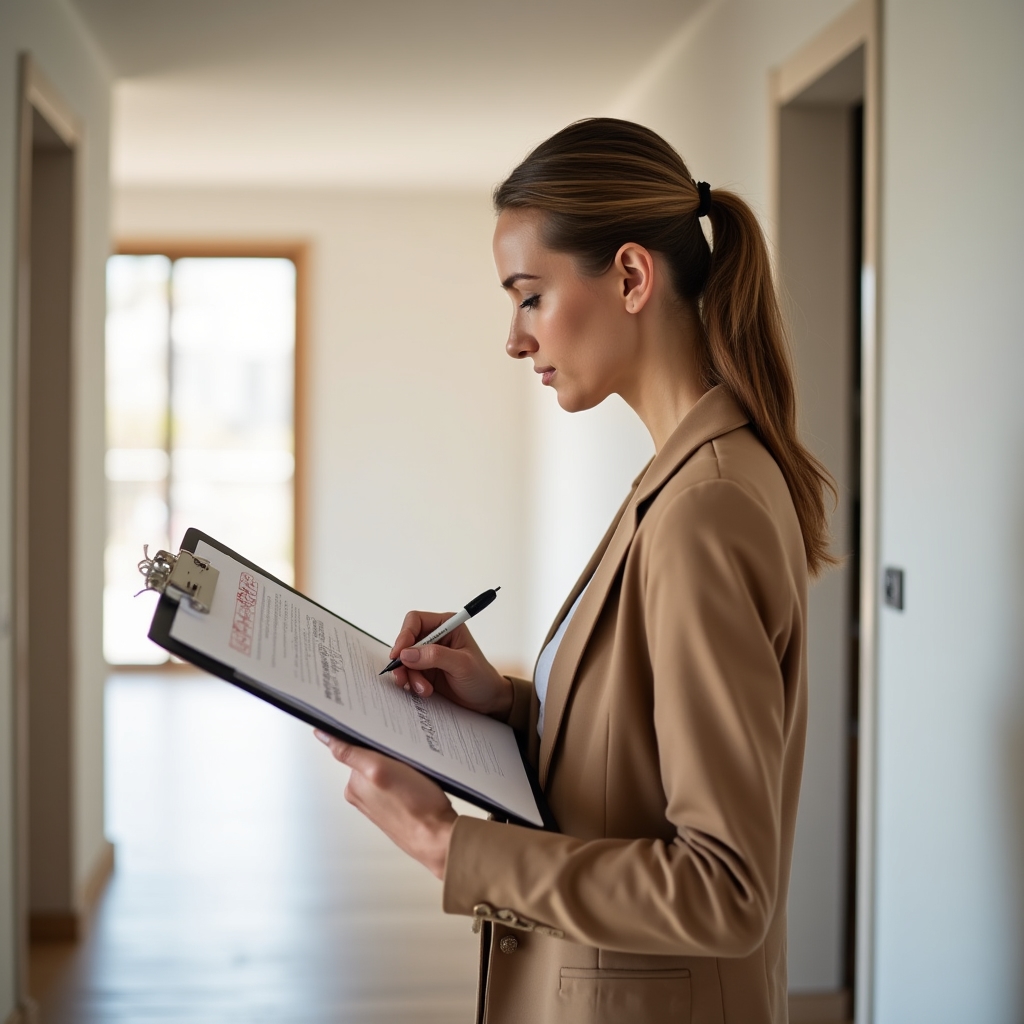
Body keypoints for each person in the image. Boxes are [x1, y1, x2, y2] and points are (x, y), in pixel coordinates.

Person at [314, 117, 835, 1024]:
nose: (515, 339)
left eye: (528, 296)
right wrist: (508, 702)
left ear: (631, 276)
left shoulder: (705, 506)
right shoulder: (679, 478)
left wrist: (450, 848)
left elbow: (726, 887)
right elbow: (636, 745)